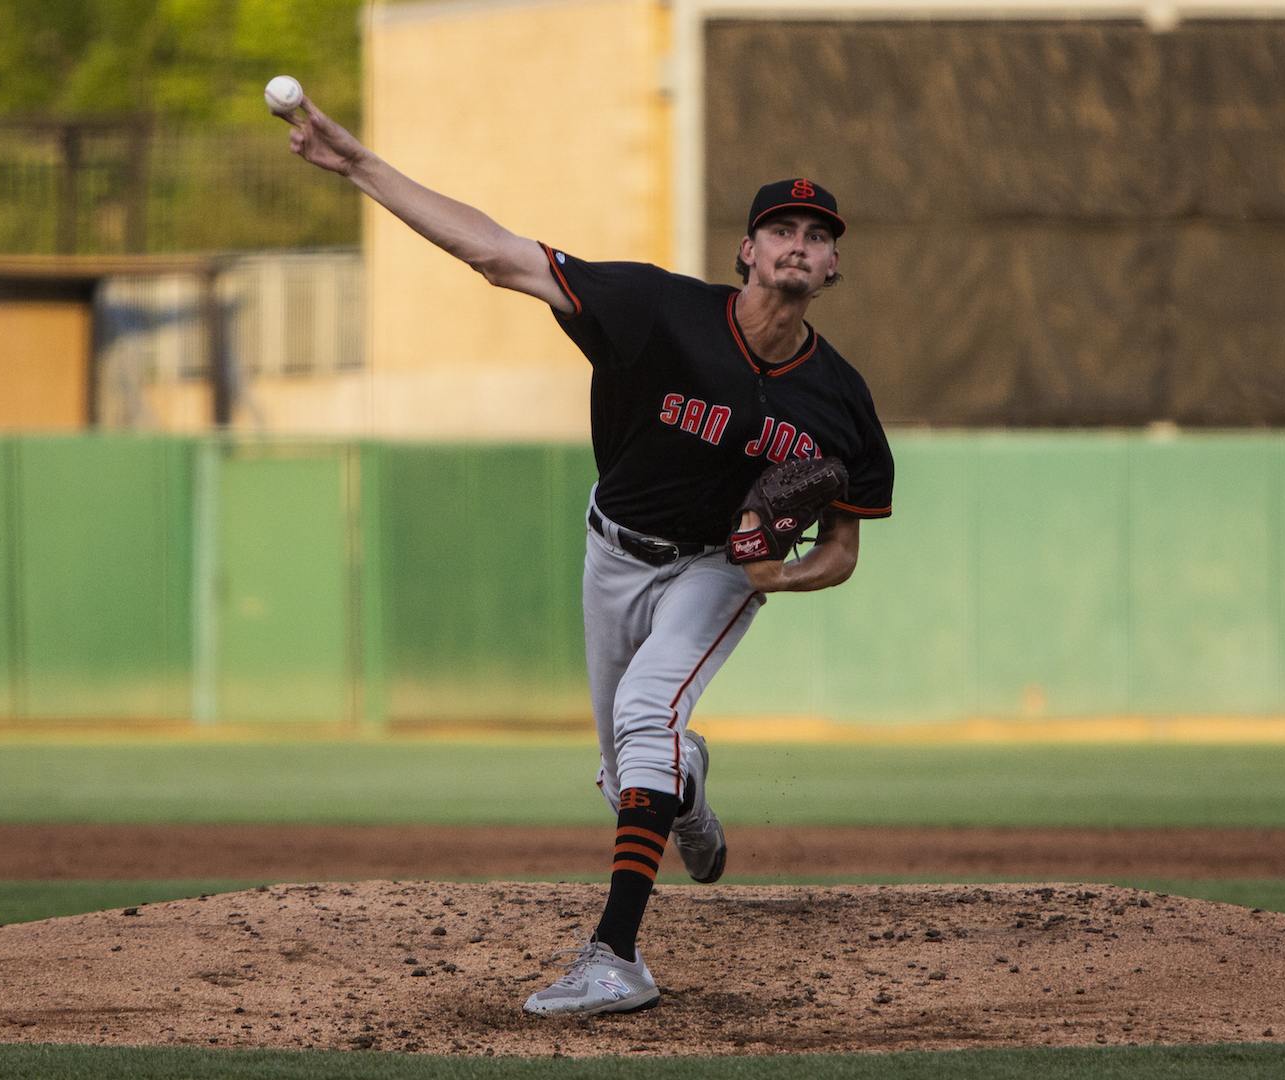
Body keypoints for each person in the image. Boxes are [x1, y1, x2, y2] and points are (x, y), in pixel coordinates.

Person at [281, 96, 895, 1018]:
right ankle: (683, 791)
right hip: (612, 546)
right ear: (748, 250)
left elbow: (842, 547)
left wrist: (778, 573)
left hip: (718, 569)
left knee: (649, 708)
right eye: (781, 228)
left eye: (818, 233)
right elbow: (499, 254)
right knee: (625, 771)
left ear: (836, 262)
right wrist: (360, 164)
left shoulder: (841, 400)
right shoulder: (659, 311)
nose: (799, 243)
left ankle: (617, 957)